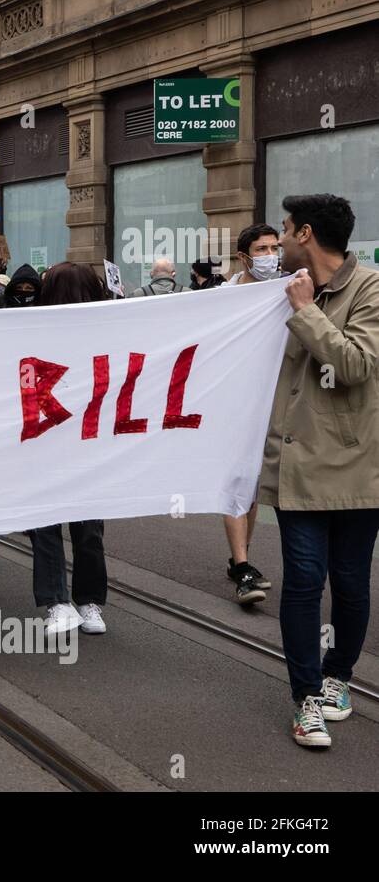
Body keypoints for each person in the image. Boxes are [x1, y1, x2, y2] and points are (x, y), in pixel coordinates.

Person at [260, 194, 379, 748]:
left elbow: (354, 364)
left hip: (358, 468)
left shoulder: (371, 288)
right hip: (297, 466)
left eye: (284, 231)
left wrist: (306, 310)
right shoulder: (276, 290)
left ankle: (339, 677)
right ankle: (306, 697)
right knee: (304, 581)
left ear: (306, 233)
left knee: (350, 583)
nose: (277, 242)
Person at [29, 262, 111, 636]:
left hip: (66, 442)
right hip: (63, 440)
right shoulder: (34, 330)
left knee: (53, 526)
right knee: (86, 528)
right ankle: (82, 602)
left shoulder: (106, 331)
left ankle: (61, 602)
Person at [218, 222, 284, 605]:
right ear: (244, 256)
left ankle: (240, 559)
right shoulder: (225, 296)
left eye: (275, 247)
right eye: (261, 249)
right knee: (236, 482)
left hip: (272, 404)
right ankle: (242, 567)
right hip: (232, 404)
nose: (270, 255)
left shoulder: (289, 288)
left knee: (253, 488)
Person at [225, 222, 282, 287]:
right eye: (261, 249)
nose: (270, 254)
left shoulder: (285, 292)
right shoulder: (221, 293)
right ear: (242, 256)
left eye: (274, 248)